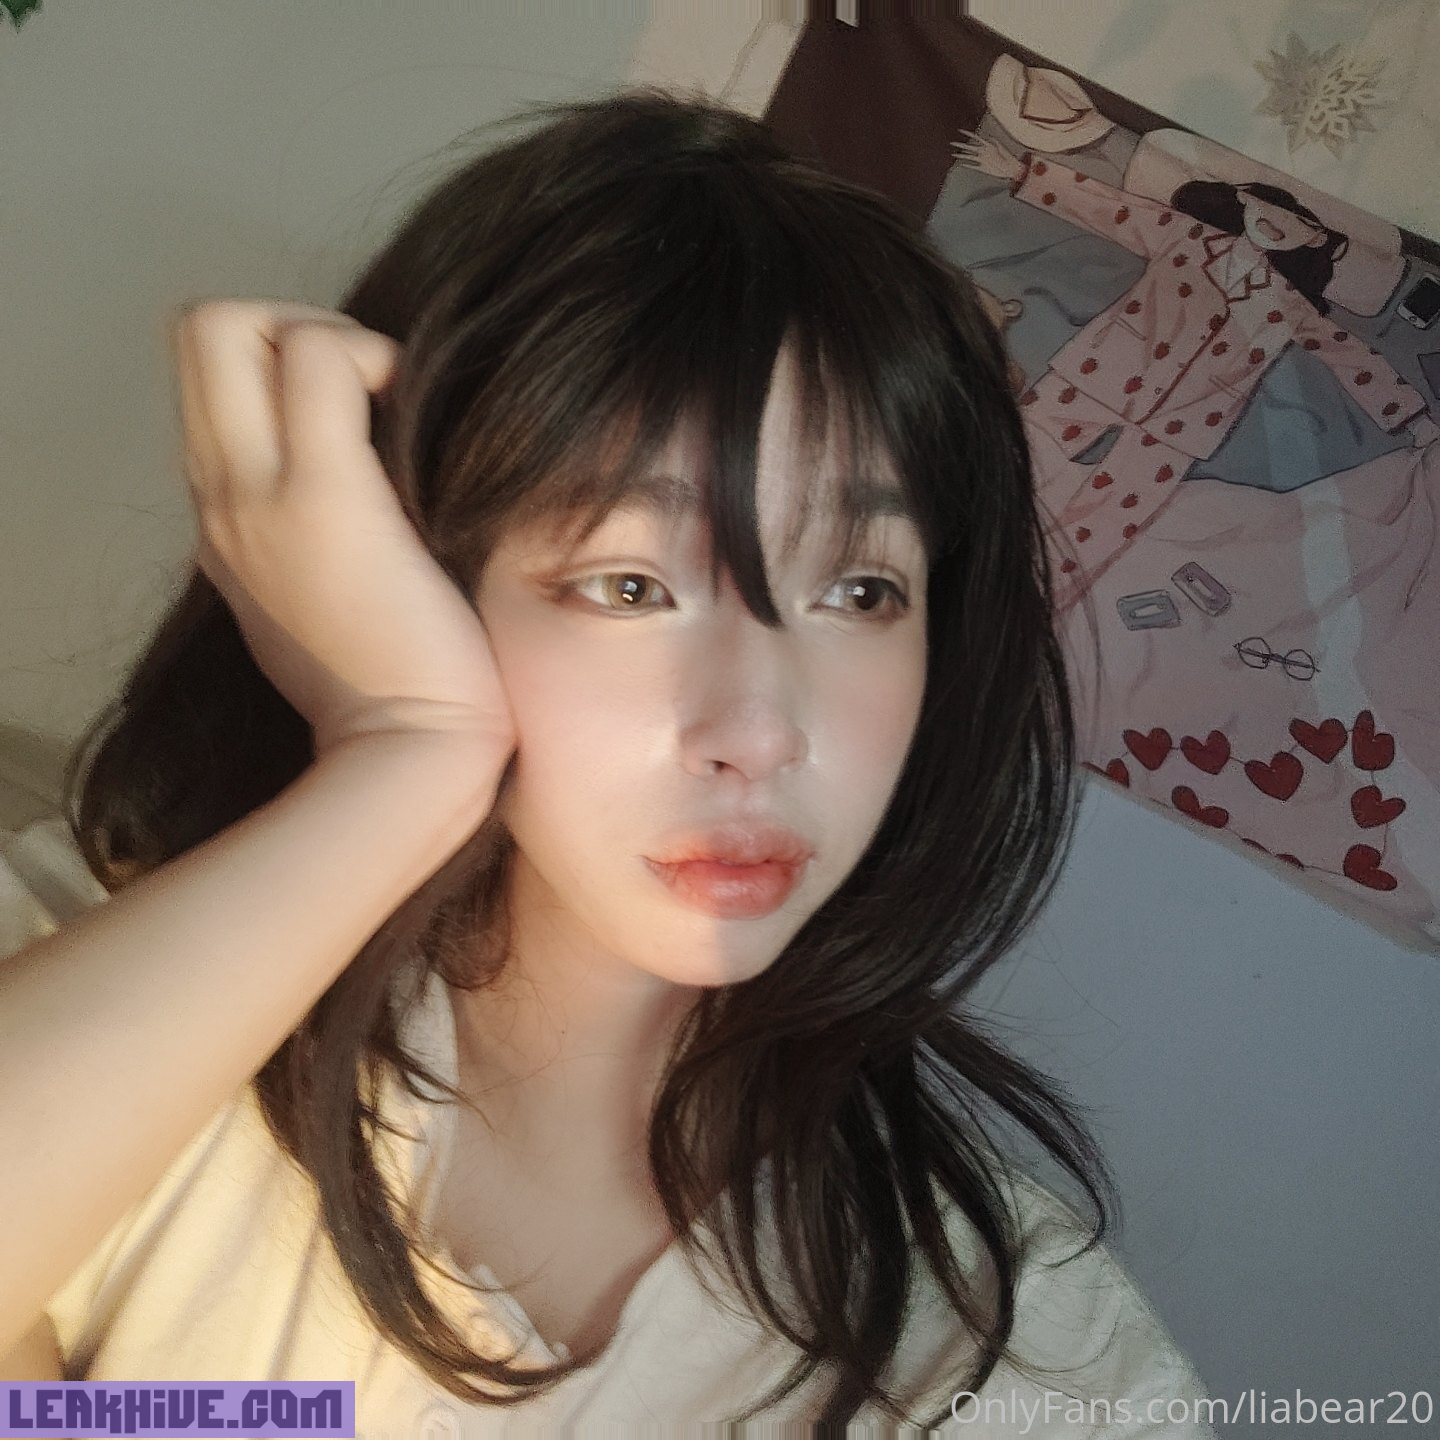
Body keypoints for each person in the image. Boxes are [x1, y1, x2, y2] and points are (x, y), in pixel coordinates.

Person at [0, 89, 1218, 1434]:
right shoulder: (100, 981)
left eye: (861, 591)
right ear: (404, 569)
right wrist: (403, 751)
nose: (760, 731)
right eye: (631, 584)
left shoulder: (1016, 1351)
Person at [951, 129, 1435, 612]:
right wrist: (1022, 172)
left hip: (1182, 424)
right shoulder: (1188, 236)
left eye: (1299, 221)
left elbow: (1352, 357)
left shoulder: (1291, 306)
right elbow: (1113, 210)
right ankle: (950, 546)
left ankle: (1033, 605)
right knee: (1011, 452)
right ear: (1245, 200)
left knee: (1105, 523)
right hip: (1099, 374)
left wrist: (1412, 418)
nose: (1277, 220)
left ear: (1316, 237)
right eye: (1268, 205)